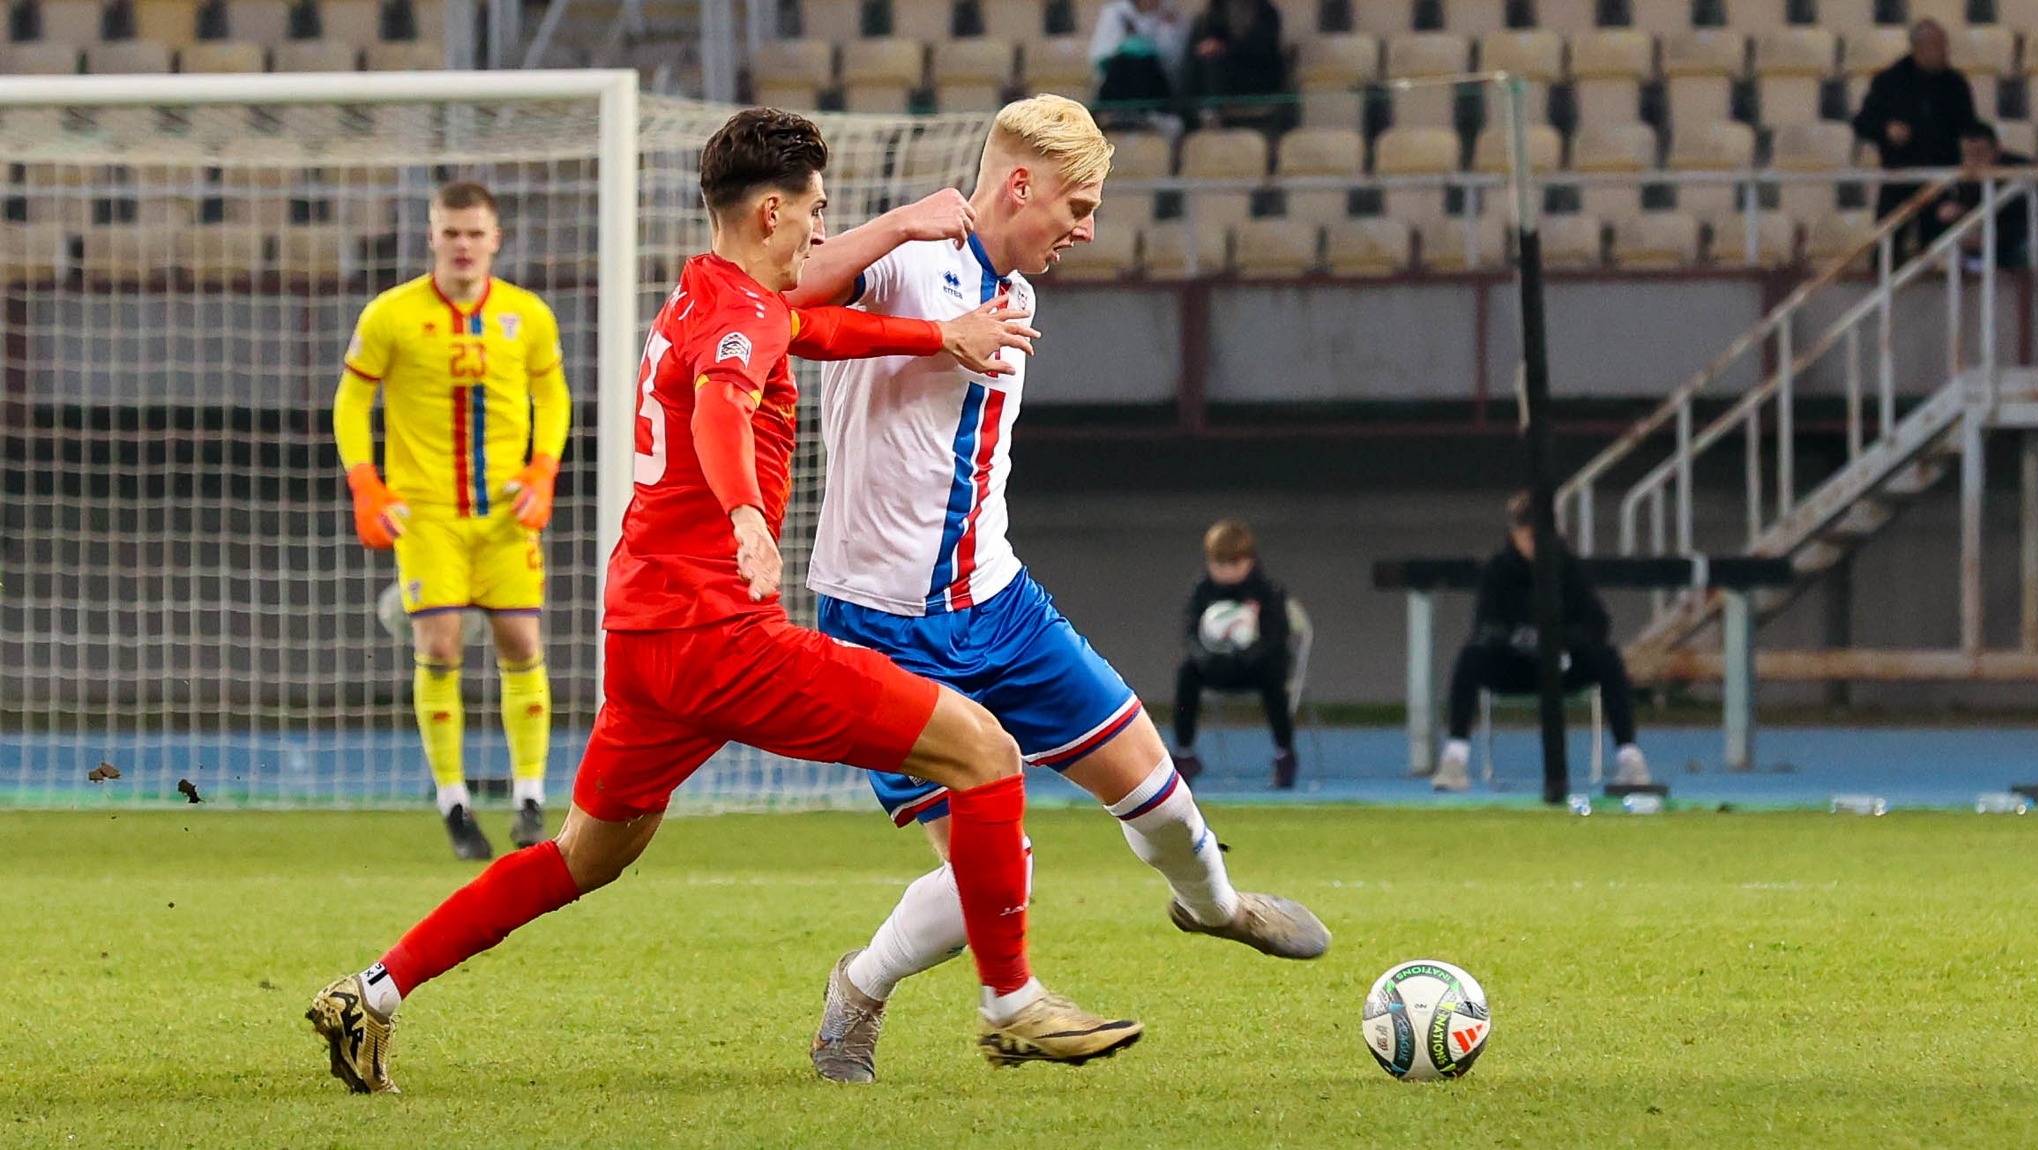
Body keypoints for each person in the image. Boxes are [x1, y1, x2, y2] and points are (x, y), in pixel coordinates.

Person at [305, 107, 1144, 1095]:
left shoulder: (707, 289)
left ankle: (373, 990)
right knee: (986, 753)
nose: (824, 232)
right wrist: (746, 513)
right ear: (771, 212)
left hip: (644, 638)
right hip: (723, 636)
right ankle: (1010, 1001)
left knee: (581, 858)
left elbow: (817, 328)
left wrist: (933, 332)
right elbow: (722, 402)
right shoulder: (741, 319)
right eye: (817, 212)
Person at [784, 94, 1329, 1085]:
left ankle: (1215, 908)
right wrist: (902, 228)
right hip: (884, 627)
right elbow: (779, 302)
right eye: (1076, 207)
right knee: (989, 878)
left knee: (1161, 799)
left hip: (1001, 608)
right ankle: (856, 994)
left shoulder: (1018, 298)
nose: (1085, 230)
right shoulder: (906, 260)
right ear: (1019, 184)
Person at [333, 181, 569, 861]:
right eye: (451, 232)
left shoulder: (528, 315)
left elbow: (552, 395)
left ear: (495, 239)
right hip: (427, 513)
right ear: (431, 236)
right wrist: (366, 485)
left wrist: (542, 469)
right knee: (439, 646)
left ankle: (529, 798)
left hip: (505, 512)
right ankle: (454, 803)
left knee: (521, 642)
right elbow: (351, 403)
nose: (462, 245)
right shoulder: (391, 314)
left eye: (474, 233)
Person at [1429, 493, 1652, 793]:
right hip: (1514, 666)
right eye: (1529, 537)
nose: (1536, 544)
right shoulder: (1498, 569)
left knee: (1608, 658)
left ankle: (1630, 757)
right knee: (1471, 657)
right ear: (1515, 535)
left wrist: (1562, 643)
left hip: (1564, 666)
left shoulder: (1569, 569)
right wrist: (1523, 640)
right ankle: (1455, 758)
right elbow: (1486, 625)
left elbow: (1597, 623)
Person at [1169, 519, 1297, 789]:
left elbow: (1276, 636)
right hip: (1215, 667)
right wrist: (1207, 657)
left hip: (1256, 667)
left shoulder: (1268, 591)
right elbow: (1190, 633)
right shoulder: (1202, 591)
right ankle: (1184, 753)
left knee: (1275, 679)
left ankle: (1284, 753)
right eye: (1219, 564)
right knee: (1186, 673)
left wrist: (1249, 653)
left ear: (1250, 560)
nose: (1226, 571)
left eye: (1234, 564)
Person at [1852, 19, 1977, 256]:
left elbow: (1968, 127)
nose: (1943, 52)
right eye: (1937, 46)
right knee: (1886, 249)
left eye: (1943, 45)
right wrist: (1886, 130)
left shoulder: (1955, 84)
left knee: (1940, 248)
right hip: (1899, 177)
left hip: (1941, 179)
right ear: (1919, 48)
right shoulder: (1890, 81)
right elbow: (1863, 122)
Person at [1936, 121, 2038, 270]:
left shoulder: (2019, 171)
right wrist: (1948, 210)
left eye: (1980, 153)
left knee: (2026, 250)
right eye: (1968, 154)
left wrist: (1994, 237)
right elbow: (1947, 207)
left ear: (1997, 149)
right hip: (1978, 241)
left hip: (2014, 239)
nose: (1974, 160)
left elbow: (2029, 219)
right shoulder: (1960, 176)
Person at [1184, 0, 1286, 121]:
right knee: (1203, 54)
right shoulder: (1215, 11)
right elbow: (1206, 40)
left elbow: (1262, 49)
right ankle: (1185, 111)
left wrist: (1223, 48)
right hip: (1223, 79)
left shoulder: (1267, 13)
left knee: (1215, 62)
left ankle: (1210, 110)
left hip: (1255, 77)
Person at [1088, 0, 1188, 117]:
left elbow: (1177, 59)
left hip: (1157, 82)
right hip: (1120, 81)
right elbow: (1099, 55)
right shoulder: (1115, 12)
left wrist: (1168, 30)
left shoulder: (1171, 13)